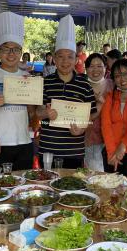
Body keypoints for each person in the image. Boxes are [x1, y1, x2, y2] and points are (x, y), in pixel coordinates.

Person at [36, 15, 96, 169]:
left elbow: (92, 113)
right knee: (47, 189)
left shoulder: (84, 84)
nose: (65, 61)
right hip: (48, 149)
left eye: (70, 56)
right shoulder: (45, 82)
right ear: (54, 59)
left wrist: (82, 127)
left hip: (74, 150)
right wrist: (45, 114)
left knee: (72, 190)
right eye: (60, 56)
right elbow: (38, 111)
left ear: (76, 59)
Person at [0, 11, 34, 169]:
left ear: (21, 53)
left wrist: (34, 102)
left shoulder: (27, 77)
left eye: (16, 49)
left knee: (24, 190)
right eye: (6, 49)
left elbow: (32, 113)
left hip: (24, 142)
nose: (11, 54)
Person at [101, 59, 127, 176]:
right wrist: (111, 153)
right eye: (117, 76)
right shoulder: (110, 96)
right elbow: (106, 125)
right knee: (111, 190)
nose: (122, 79)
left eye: (126, 74)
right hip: (112, 152)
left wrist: (123, 146)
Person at [84, 53, 113, 171]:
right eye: (91, 66)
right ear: (86, 69)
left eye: (99, 66)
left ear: (105, 68)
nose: (95, 70)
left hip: (110, 140)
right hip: (87, 139)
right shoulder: (82, 86)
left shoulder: (113, 85)